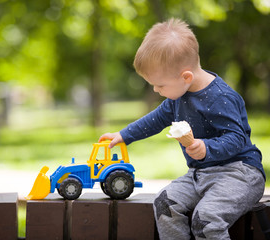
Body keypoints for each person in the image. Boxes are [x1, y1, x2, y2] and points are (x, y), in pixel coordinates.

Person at [99, 18, 265, 239]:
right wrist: (123, 135)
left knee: (206, 219)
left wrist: (205, 147)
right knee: (165, 204)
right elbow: (155, 120)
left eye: (160, 85)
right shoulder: (178, 96)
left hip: (239, 174)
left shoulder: (221, 97)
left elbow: (237, 138)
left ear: (186, 76)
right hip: (200, 175)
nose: (157, 90)